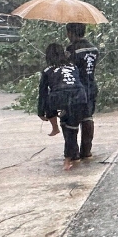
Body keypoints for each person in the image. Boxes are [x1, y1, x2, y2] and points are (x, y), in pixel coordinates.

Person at [38, 42, 90, 171]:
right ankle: (68, 159)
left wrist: (40, 112)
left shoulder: (47, 70)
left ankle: (55, 127)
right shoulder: (73, 67)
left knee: (50, 102)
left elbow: (42, 93)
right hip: (80, 97)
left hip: (60, 98)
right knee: (71, 128)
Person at [66, 23, 100, 159]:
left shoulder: (72, 49)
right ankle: (86, 150)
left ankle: (73, 153)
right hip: (91, 86)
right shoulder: (94, 48)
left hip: (76, 89)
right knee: (87, 118)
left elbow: (68, 68)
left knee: (72, 121)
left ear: (71, 33)